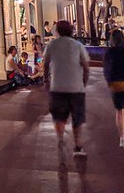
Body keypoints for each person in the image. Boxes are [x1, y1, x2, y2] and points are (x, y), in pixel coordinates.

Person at [43, 20, 91, 162]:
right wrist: (83, 83)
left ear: (57, 30)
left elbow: (45, 63)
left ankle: (60, 138)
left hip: (57, 86)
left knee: (59, 116)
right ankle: (77, 146)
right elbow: (86, 66)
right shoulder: (77, 45)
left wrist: (46, 79)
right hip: (76, 87)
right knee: (77, 118)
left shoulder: (52, 45)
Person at [103, 29, 124, 153]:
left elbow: (106, 69)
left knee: (118, 111)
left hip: (115, 85)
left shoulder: (109, 53)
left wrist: (109, 82)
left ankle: (121, 138)